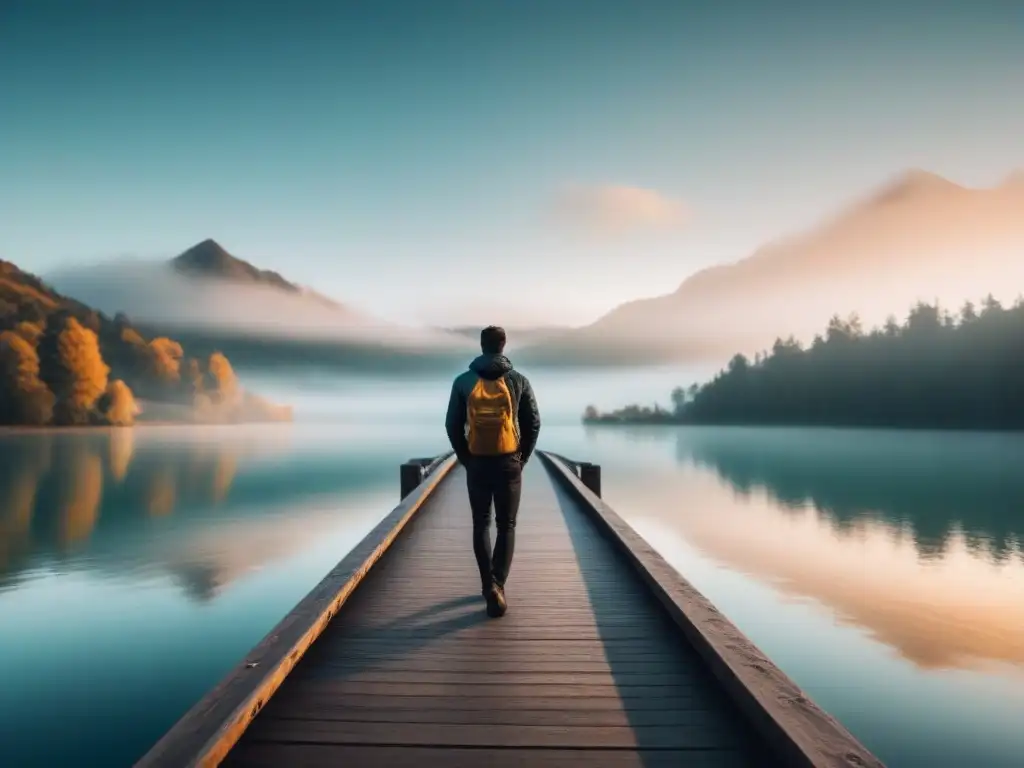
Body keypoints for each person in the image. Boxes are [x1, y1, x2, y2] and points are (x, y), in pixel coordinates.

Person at [445, 326, 541, 618]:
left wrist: (465, 457)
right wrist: (521, 457)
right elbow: (533, 423)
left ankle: (488, 584)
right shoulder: (518, 380)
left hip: (478, 462)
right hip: (509, 462)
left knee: (480, 523)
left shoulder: (463, 381)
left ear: (481, 345)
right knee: (506, 524)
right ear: (503, 345)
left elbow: (452, 425)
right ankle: (498, 584)